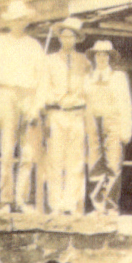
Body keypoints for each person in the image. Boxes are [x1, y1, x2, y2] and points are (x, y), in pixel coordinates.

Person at [0, 0, 46, 212]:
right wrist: (1, 92)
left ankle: (21, 200)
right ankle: (6, 199)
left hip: (28, 95)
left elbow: (42, 79)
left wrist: (36, 105)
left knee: (27, 152)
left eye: (22, 19)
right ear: (9, 21)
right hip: (6, 93)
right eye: (15, 19)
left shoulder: (34, 46)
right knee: (7, 150)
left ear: (26, 21)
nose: (18, 23)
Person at [41, 18, 91, 215]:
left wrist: (79, 101)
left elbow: (87, 87)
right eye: (64, 35)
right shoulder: (50, 60)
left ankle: (70, 203)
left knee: (75, 160)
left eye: (72, 36)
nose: (67, 39)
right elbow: (44, 87)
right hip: (57, 113)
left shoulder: (84, 61)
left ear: (77, 39)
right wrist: (56, 101)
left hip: (77, 113)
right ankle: (55, 204)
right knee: (55, 160)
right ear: (60, 37)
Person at [84, 39, 132, 215]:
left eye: (105, 54)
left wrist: (126, 129)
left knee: (113, 163)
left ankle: (111, 206)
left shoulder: (118, 77)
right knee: (96, 164)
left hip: (112, 122)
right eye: (98, 54)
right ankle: (98, 206)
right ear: (94, 57)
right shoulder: (88, 78)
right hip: (93, 121)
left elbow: (126, 104)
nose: (102, 58)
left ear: (110, 57)